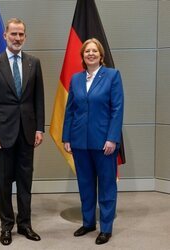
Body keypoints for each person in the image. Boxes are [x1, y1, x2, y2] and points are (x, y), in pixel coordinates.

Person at [0, 18, 45, 246]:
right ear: (5, 36)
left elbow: (39, 99)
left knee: (25, 182)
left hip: (28, 133)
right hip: (2, 134)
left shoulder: (33, 63)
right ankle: (7, 227)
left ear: (25, 37)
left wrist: (39, 128)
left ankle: (25, 224)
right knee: (4, 182)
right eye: (13, 34)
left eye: (21, 34)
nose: (17, 38)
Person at [62, 38, 124, 245]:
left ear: (101, 55)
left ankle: (106, 228)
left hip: (104, 143)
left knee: (107, 186)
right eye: (87, 51)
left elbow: (117, 109)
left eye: (94, 51)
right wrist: (67, 137)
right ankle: (88, 222)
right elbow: (70, 110)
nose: (90, 54)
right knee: (86, 184)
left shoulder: (112, 76)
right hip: (80, 142)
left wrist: (112, 138)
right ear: (82, 56)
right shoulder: (76, 79)